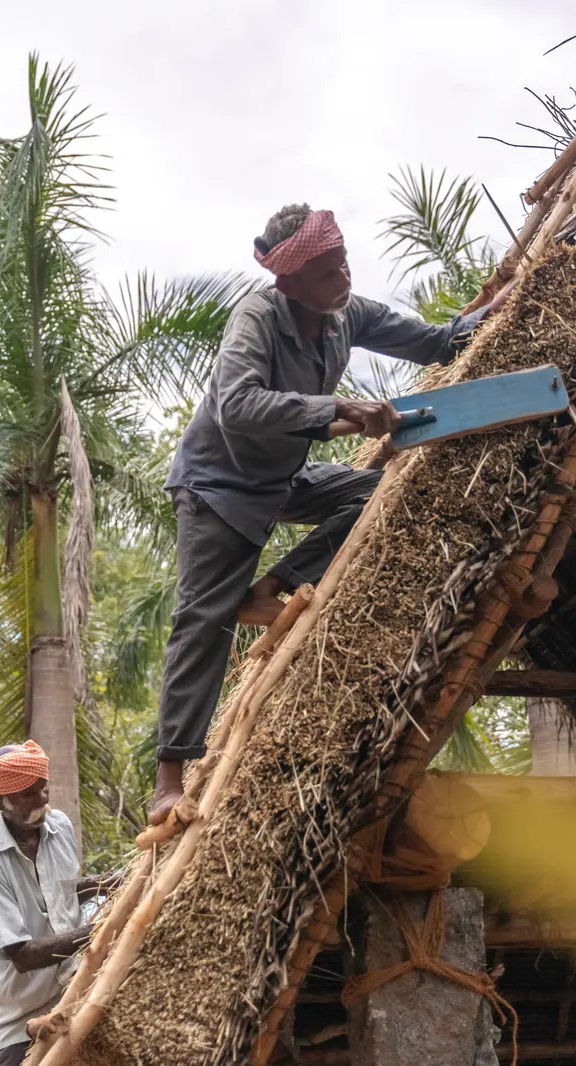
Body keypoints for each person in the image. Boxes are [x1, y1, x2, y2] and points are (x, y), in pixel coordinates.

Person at [148, 204, 510, 826]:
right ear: (288, 282)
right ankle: (169, 778)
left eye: (342, 263)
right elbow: (236, 406)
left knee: (371, 493)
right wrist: (338, 408)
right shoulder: (256, 318)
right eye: (324, 272)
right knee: (202, 617)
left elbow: (433, 341)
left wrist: (496, 312)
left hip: (282, 477)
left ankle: (270, 589)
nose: (341, 278)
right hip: (220, 483)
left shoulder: (347, 313)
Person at [0, 741, 122, 1066]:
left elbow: (59, 892)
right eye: (27, 794)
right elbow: (23, 956)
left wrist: (102, 884)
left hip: (76, 993)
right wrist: (100, 930)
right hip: (19, 1025)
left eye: (43, 788)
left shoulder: (61, 827)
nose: (41, 800)